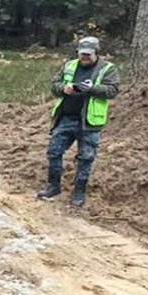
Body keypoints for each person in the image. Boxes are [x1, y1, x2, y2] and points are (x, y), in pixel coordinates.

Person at [37, 36, 120, 208]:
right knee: (54, 151)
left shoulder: (108, 69)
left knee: (86, 158)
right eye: (82, 54)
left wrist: (92, 89)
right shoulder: (70, 65)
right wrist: (64, 89)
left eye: (88, 55)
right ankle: (53, 186)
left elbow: (112, 90)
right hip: (66, 118)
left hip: (90, 123)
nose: (84, 57)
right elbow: (54, 86)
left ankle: (79, 192)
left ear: (96, 53)